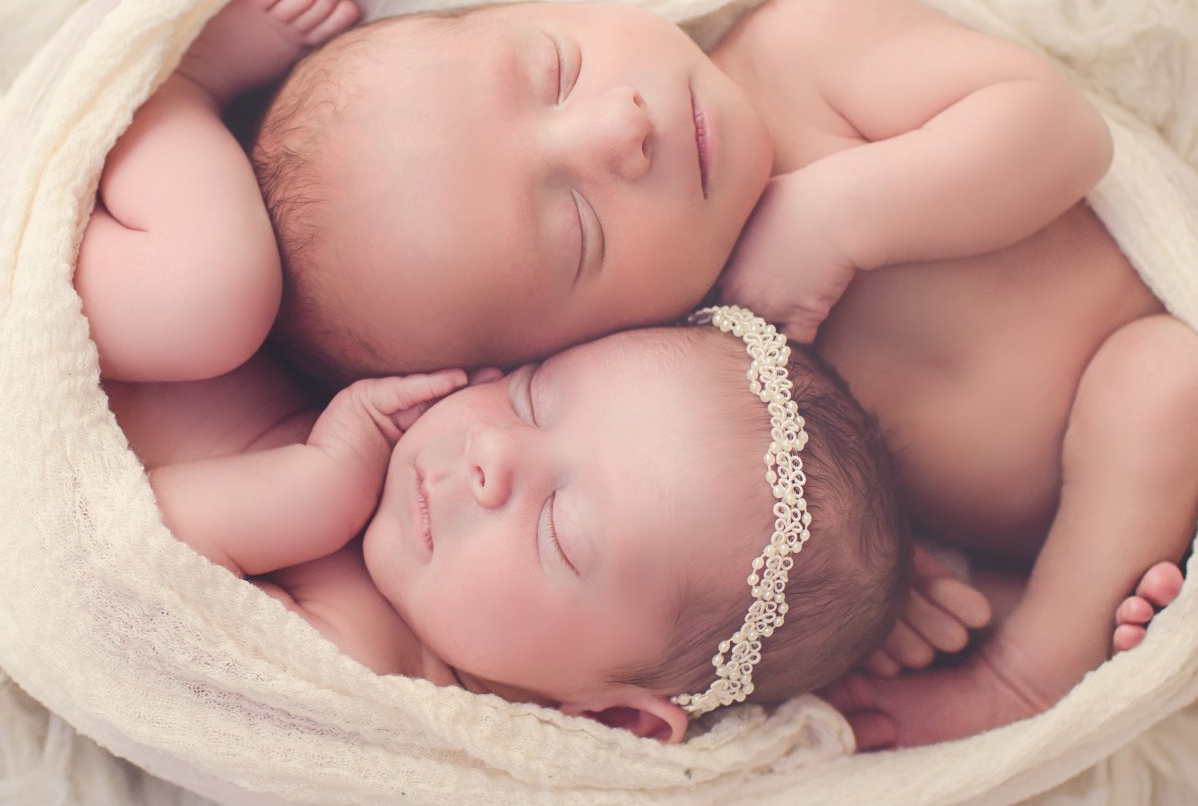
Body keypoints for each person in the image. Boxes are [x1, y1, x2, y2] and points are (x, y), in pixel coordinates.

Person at [231, 0, 1198, 749]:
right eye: (577, 226)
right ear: (551, 341)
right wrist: (880, 582)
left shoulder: (800, 51)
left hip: (1130, 356)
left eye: (554, 69)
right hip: (982, 534)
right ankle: (1023, 596)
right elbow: (775, 515)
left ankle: (1030, 669)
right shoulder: (666, 374)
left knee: (1160, 383)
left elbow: (1056, 127)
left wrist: (843, 213)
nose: (618, 129)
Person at [104, 305, 908, 745]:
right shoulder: (400, 422)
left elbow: (129, 564)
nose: (491, 448)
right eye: (531, 394)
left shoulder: (360, 671)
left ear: (614, 716)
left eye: (559, 530)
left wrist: (320, 484)